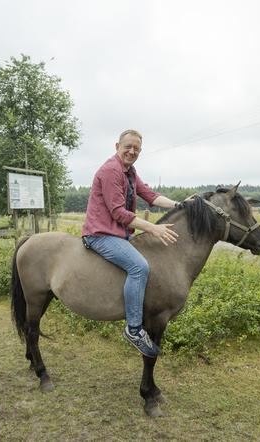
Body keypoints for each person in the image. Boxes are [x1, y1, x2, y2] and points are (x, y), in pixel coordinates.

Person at [81, 129, 180, 358]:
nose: (131, 151)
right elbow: (118, 212)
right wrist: (154, 228)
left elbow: (151, 195)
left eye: (136, 148)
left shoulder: (130, 172)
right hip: (101, 234)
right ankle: (134, 329)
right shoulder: (110, 171)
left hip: (119, 235)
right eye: (128, 146)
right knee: (139, 266)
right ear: (117, 146)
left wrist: (179, 205)